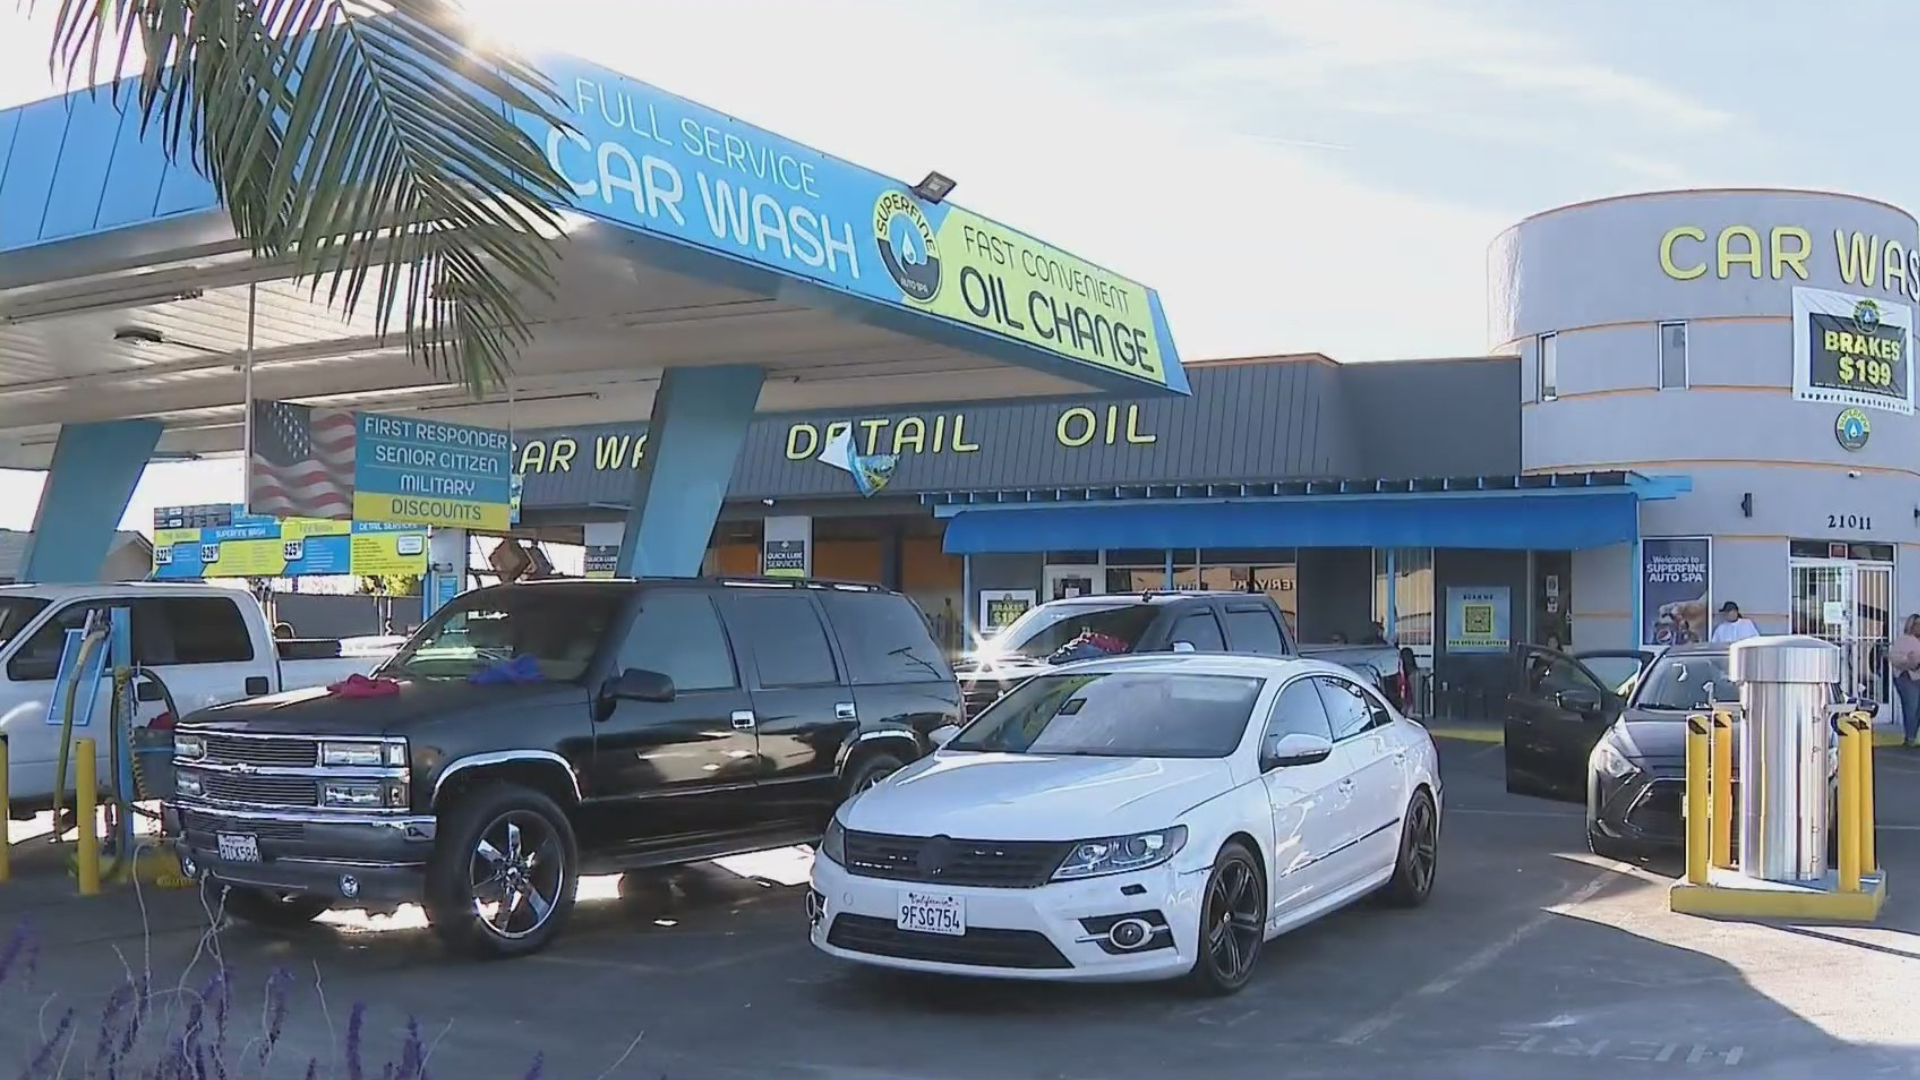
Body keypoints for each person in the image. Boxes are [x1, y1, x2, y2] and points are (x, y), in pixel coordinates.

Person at [1890, 615, 1920, 748]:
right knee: (1911, 708)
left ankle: (1912, 736)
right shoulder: (1903, 640)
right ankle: (1910, 737)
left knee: (1917, 709)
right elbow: (1896, 659)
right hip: (1907, 677)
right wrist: (1911, 662)